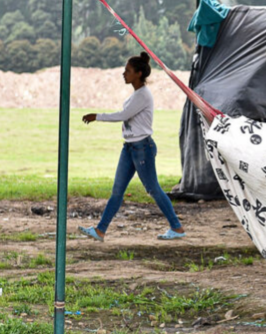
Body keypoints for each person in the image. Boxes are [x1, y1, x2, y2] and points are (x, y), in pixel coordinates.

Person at [78, 52, 186, 242]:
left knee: (153, 189)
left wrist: (97, 116)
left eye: (127, 71)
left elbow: (123, 115)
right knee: (117, 191)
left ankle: (177, 228)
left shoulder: (143, 95)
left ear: (138, 73)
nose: (123, 73)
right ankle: (100, 230)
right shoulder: (137, 94)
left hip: (142, 148)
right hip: (129, 148)